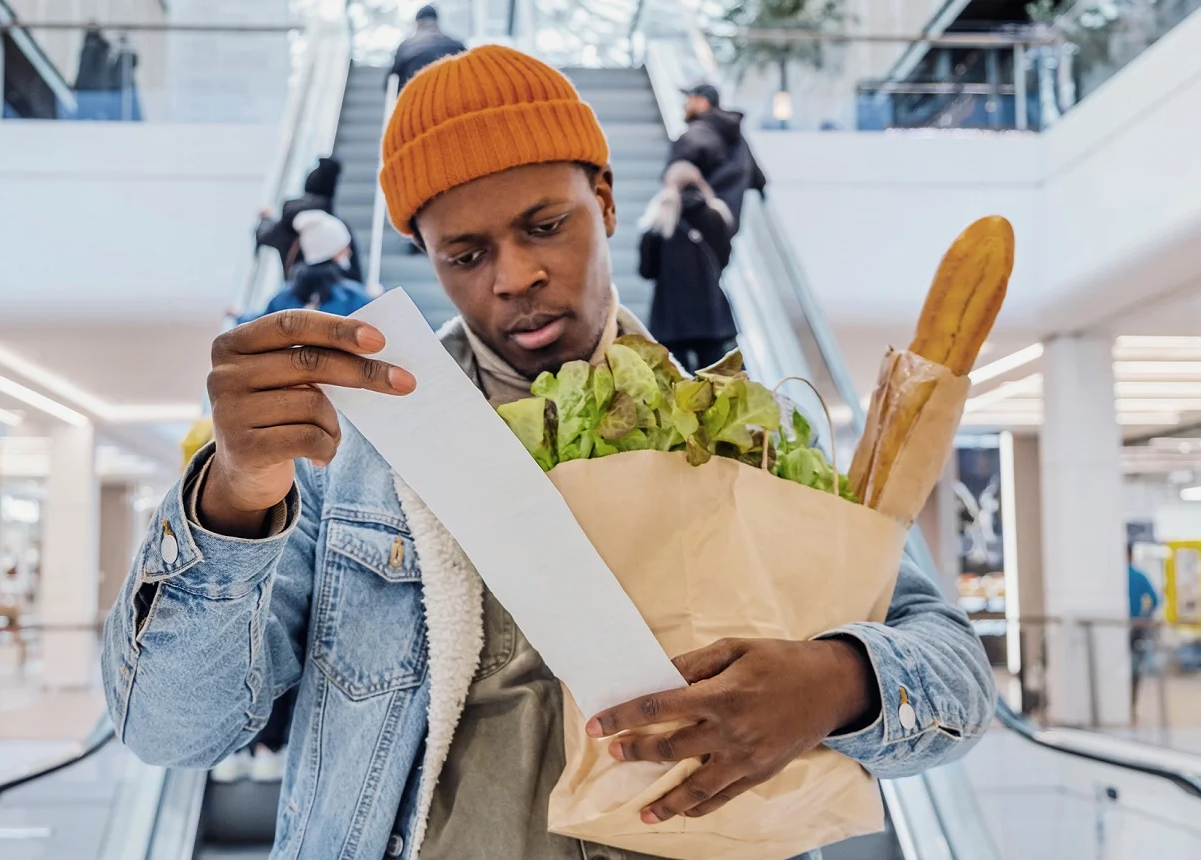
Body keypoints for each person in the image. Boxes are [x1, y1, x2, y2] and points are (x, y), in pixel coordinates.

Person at [103, 46, 994, 860]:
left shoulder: (737, 427)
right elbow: (171, 732)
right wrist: (232, 495)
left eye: (544, 225)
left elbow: (956, 675)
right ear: (427, 258)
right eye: (466, 252)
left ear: (605, 201)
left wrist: (837, 682)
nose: (513, 276)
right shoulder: (347, 452)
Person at [639, 160, 738, 373]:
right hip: (710, 313)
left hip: (671, 315)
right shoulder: (717, 215)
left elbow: (646, 270)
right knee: (717, 383)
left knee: (675, 382)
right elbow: (724, 261)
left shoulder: (658, 219)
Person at [670, 83, 767, 234]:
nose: (685, 104)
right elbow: (757, 177)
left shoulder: (696, 135)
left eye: (689, 99)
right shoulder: (736, 136)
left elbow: (674, 176)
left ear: (703, 102)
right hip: (727, 223)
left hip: (696, 226)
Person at [241, 211, 370, 324]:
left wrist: (239, 316)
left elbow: (261, 325)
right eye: (344, 248)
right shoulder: (352, 296)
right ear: (333, 252)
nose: (349, 253)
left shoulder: (283, 297)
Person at [255, 156, 364, 283]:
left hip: (295, 296)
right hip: (333, 299)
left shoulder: (288, 224)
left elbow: (265, 234)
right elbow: (355, 275)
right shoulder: (337, 228)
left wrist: (266, 218)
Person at [390, 5, 467, 92]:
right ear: (436, 21)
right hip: (452, 98)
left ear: (418, 22)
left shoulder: (406, 47)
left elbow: (392, 80)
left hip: (416, 99)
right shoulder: (457, 45)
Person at [1127, 543, 1160, 716]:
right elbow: (1155, 600)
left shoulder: (1113, 578)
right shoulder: (1139, 576)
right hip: (1135, 626)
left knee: (1118, 668)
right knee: (1134, 668)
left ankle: (1122, 703)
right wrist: (1143, 616)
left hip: (1119, 629)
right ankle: (1131, 705)